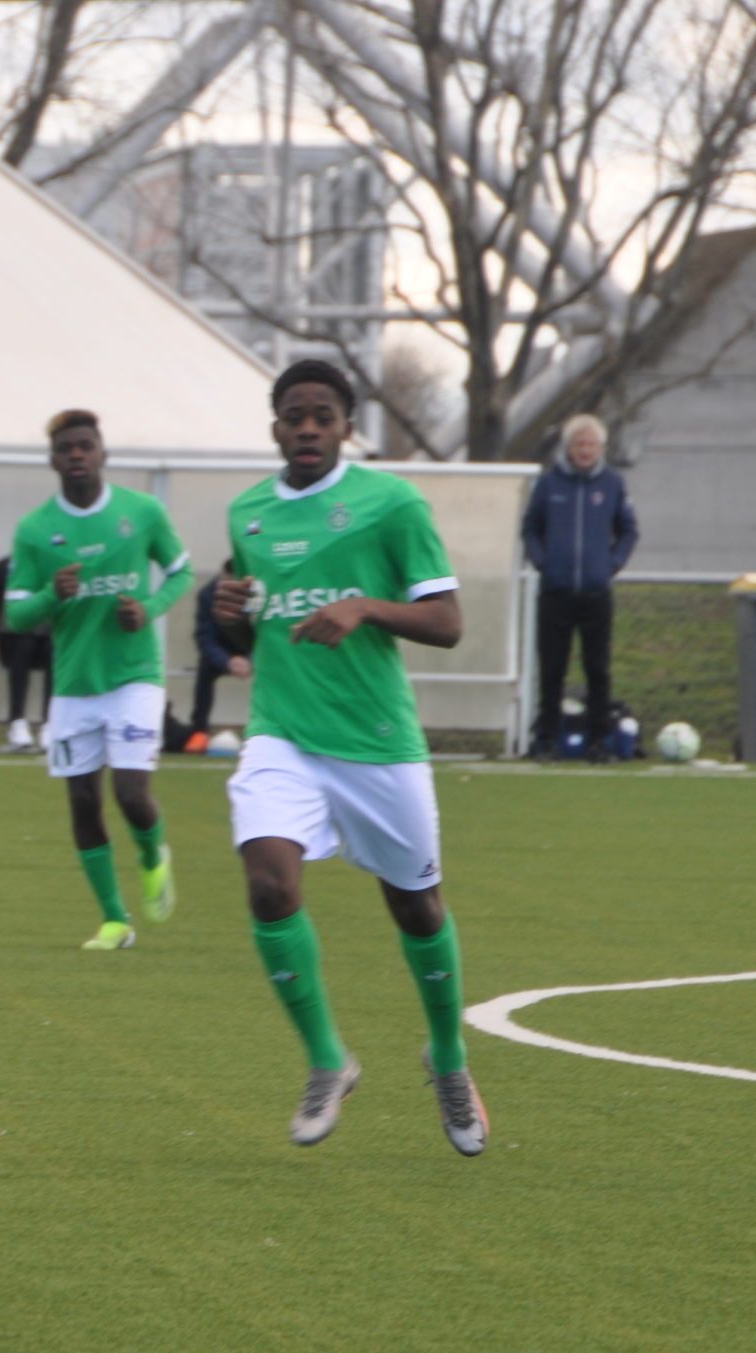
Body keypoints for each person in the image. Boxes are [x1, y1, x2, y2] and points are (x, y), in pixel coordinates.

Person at [210, 357, 488, 1156]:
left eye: (322, 415)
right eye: (293, 415)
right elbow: (251, 619)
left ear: (345, 427)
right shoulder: (250, 514)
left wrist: (365, 607)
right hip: (282, 732)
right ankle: (328, 1060)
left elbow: (447, 622)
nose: (306, 427)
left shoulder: (391, 503)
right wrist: (226, 610)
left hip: (376, 742)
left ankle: (449, 1058)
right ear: (275, 428)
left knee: (417, 907)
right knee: (268, 881)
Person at [1, 410, 191, 949]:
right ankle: (114, 920)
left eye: (86, 445)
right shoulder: (36, 530)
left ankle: (154, 856)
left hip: (135, 677)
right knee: (84, 802)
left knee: (132, 794)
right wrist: (48, 597)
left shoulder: (143, 512)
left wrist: (150, 608)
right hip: (74, 685)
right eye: (67, 448)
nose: (77, 455)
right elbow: (15, 616)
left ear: (103, 452)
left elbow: (180, 573)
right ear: (53, 459)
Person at [520, 413, 638, 759]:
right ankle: (547, 739)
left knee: (597, 670)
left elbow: (629, 530)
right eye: (579, 444)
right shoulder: (549, 484)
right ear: (569, 448)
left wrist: (611, 565)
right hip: (555, 593)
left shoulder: (613, 484)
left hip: (596, 594)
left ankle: (600, 741)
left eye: (591, 444)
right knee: (552, 670)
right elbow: (530, 528)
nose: (585, 451)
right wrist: (543, 562)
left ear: (600, 448)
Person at [0, 555, 50, 752]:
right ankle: (17, 721)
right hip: (12, 643)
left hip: (46, 642)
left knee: (54, 649)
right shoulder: (3, 568)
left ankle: (49, 722)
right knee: (24, 645)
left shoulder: (52, 565)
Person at [180, 561, 252, 749]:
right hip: (222, 653)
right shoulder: (207, 595)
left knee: (274, 669)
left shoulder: (256, 595)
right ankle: (199, 732)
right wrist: (227, 661)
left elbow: (265, 634)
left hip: (250, 650)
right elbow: (204, 637)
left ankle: (268, 731)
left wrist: (251, 659)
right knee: (205, 671)